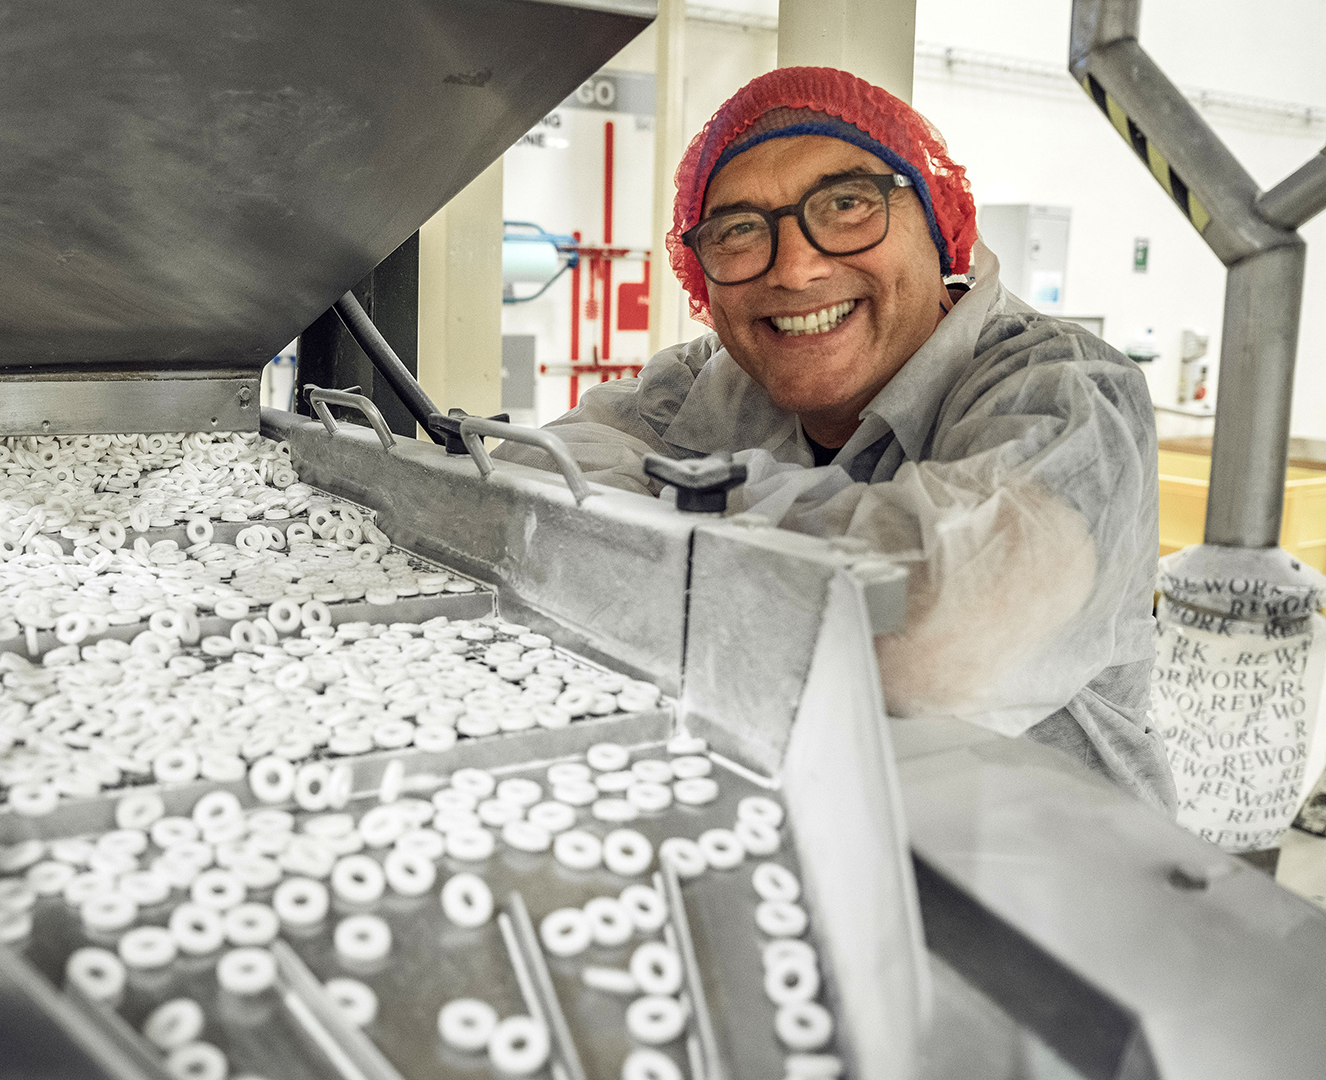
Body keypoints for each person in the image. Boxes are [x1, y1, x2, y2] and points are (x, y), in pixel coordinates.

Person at [495, 67, 1174, 809]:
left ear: (939, 222)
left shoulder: (1066, 391)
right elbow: (524, 497)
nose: (794, 269)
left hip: (1051, 866)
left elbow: (934, 641)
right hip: (806, 831)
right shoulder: (696, 385)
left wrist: (685, 504)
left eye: (848, 205)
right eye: (740, 230)